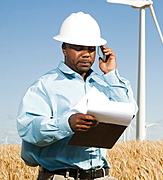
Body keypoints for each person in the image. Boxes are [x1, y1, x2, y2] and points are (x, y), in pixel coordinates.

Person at [17, 12, 137, 180]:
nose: (86, 54)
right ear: (64, 49)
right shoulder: (45, 85)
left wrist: (111, 74)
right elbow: (28, 128)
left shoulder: (105, 83)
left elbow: (128, 111)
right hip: (61, 176)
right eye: (79, 48)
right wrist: (67, 124)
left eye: (91, 49)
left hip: (101, 175)